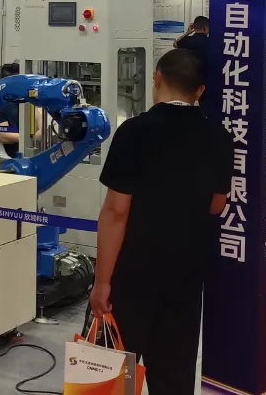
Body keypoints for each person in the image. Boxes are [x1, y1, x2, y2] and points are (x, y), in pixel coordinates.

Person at [91, 49, 231, 395]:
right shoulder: (218, 136)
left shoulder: (134, 132)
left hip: (133, 271)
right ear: (200, 91)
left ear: (156, 79)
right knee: (174, 372)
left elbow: (116, 212)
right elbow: (217, 205)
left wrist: (102, 282)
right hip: (186, 273)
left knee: (114, 370)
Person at [0, 63, 22, 157]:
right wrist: (28, 139)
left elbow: (41, 125)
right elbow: (4, 136)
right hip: (16, 152)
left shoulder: (26, 100)